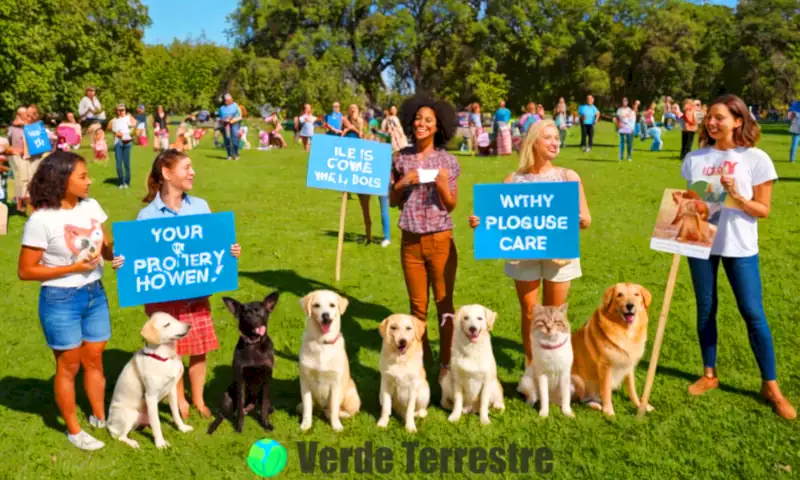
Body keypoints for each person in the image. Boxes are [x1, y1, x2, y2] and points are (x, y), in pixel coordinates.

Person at [681, 94, 795, 420]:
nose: (712, 122)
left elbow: (763, 210)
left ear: (738, 120)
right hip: (701, 243)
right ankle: (709, 373)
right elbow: (696, 201)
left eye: (720, 117)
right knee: (706, 309)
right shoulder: (695, 158)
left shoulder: (756, 158)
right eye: (709, 117)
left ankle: (770, 385)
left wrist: (737, 196)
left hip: (740, 246)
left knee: (752, 312)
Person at [121, 149, 242, 419]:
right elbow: (138, 257)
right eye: (186, 167)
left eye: (192, 167)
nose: (192, 172)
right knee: (171, 350)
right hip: (164, 299)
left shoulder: (200, 206)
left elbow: (214, 245)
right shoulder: (147, 216)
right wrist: (123, 262)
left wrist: (230, 250)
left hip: (196, 293)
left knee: (199, 348)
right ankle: (179, 399)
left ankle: (197, 398)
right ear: (166, 173)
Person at [18, 151, 124, 450]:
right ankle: (74, 430)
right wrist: (72, 268)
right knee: (69, 366)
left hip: (95, 294)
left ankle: (100, 416)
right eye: (82, 176)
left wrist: (115, 254)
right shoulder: (42, 220)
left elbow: (103, 247)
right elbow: (26, 271)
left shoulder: (91, 206)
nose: (90, 181)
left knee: (94, 360)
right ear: (61, 180)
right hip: (60, 299)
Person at [468, 120, 591, 366]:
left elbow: (586, 219)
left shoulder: (568, 177)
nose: (555, 142)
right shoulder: (513, 180)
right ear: (533, 142)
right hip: (523, 253)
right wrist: (480, 221)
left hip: (560, 253)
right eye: (548, 138)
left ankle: (554, 366)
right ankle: (532, 365)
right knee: (530, 312)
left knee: (554, 315)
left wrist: (576, 219)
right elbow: (498, 218)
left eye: (557, 137)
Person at [390, 93, 460, 380]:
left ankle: (446, 364)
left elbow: (451, 203)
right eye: (418, 119)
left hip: (441, 240)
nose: (421, 124)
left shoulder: (447, 161)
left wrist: (442, 185)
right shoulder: (400, 159)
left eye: (428, 120)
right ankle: (420, 362)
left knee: (444, 303)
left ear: (438, 126)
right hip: (410, 241)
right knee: (417, 307)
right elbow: (393, 200)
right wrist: (404, 182)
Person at [344, 104, 392, 247]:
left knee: (383, 206)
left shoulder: (380, 140)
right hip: (363, 174)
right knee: (365, 208)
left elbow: (387, 147)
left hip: (379, 175)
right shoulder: (358, 138)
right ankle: (369, 235)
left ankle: (387, 237)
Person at [108, 104, 136, 188]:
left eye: (122, 110)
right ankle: (121, 182)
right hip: (118, 142)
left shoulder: (128, 118)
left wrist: (127, 133)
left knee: (127, 163)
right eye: (119, 110)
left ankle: (127, 182)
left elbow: (134, 126)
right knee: (118, 164)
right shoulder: (114, 120)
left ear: (125, 110)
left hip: (127, 142)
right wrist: (118, 134)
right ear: (116, 111)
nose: (120, 112)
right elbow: (112, 130)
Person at [6, 107, 28, 212]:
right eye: (25, 114)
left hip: (28, 156)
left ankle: (23, 204)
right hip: (17, 156)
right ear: (19, 115)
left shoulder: (29, 127)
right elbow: (8, 144)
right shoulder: (12, 129)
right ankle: (19, 205)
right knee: (19, 180)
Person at [217, 94, 242, 161]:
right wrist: (223, 120)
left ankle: (235, 154)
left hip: (234, 124)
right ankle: (229, 155)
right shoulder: (221, 108)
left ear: (231, 100)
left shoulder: (236, 106)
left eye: (228, 100)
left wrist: (233, 120)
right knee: (227, 139)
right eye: (225, 100)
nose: (226, 101)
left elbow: (240, 116)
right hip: (225, 125)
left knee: (235, 139)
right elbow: (219, 117)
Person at [616, 97, 636, 162]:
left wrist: (631, 127)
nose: (624, 102)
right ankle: (621, 156)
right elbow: (617, 119)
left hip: (629, 127)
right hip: (622, 127)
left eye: (625, 101)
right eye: (623, 101)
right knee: (621, 142)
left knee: (629, 142)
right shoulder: (619, 110)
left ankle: (629, 156)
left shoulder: (630, 110)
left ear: (627, 102)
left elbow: (632, 120)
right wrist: (619, 124)